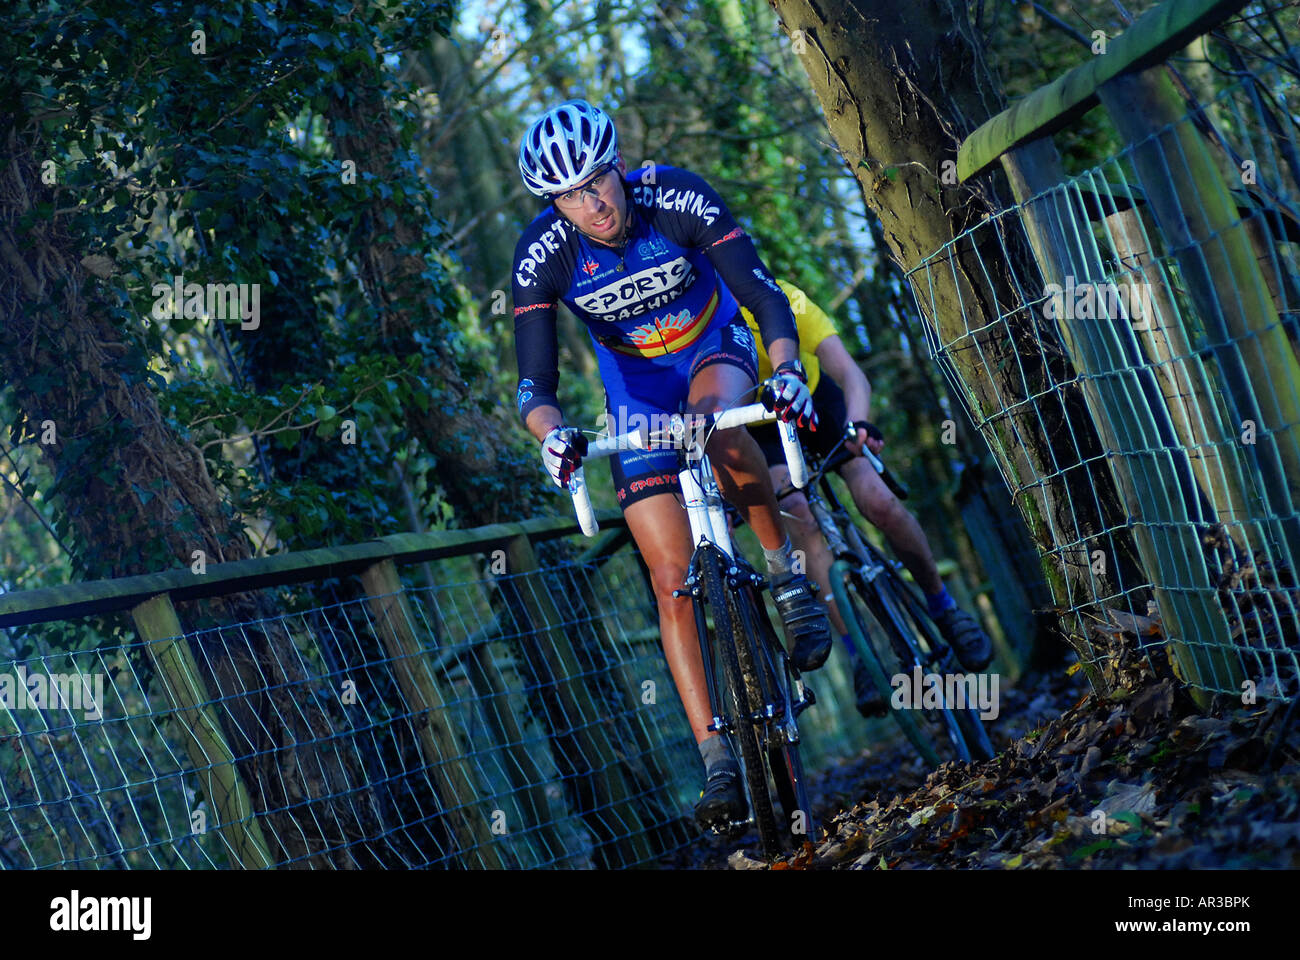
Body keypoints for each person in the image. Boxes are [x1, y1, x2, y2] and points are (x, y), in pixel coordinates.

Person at [510, 100, 832, 831]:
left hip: (713, 347)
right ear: (550, 203)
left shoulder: (675, 196)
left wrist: (784, 370)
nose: (590, 205)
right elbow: (535, 385)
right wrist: (553, 436)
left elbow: (761, 294)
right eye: (568, 195)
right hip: (635, 390)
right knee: (668, 579)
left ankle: (785, 578)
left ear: (618, 168)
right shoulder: (543, 255)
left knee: (711, 428)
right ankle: (716, 758)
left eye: (597, 182)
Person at [740, 280, 995, 716]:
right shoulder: (694, 318)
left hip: (814, 403)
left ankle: (944, 608)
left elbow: (849, 372)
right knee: (797, 513)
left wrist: (859, 424)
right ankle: (859, 655)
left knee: (877, 499)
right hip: (757, 428)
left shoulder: (779, 294)